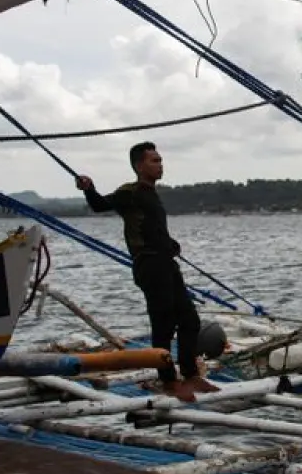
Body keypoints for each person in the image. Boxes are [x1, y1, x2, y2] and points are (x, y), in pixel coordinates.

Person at [77, 142, 216, 403]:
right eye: (154, 160)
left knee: (189, 320)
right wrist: (89, 188)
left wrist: (170, 243)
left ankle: (190, 374)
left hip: (166, 263)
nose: (160, 164)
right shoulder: (130, 192)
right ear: (140, 166)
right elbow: (99, 205)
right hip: (150, 266)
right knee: (163, 323)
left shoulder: (152, 194)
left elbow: (152, 229)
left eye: (160, 159)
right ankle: (168, 381)